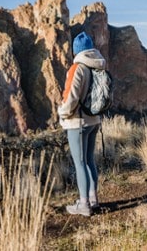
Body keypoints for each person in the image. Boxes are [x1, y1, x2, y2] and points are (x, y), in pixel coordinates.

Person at [58, 31, 106, 216]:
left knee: (79, 163)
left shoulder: (78, 67)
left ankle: (84, 204)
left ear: (76, 51)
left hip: (77, 122)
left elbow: (71, 97)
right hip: (94, 120)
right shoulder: (98, 66)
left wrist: (62, 113)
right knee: (89, 161)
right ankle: (93, 199)